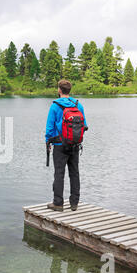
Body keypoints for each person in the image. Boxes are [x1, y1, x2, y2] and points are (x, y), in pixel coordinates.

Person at [45, 80, 87, 212]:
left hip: (59, 144)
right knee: (74, 173)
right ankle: (74, 203)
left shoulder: (55, 106)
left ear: (59, 90)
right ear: (70, 90)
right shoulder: (78, 105)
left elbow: (49, 128)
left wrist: (48, 141)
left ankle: (58, 203)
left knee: (59, 173)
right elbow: (84, 125)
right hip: (75, 144)